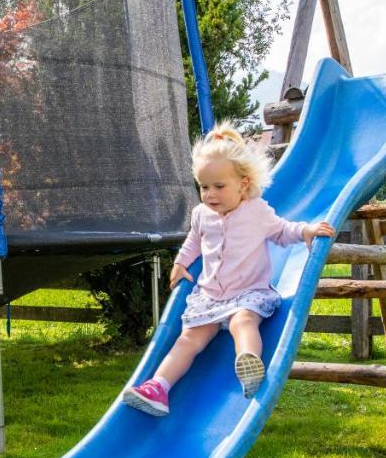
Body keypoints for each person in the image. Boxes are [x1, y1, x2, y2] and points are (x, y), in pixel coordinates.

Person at [123, 123, 334, 415]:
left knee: (242, 322)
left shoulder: (256, 211)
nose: (210, 194)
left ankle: (249, 362)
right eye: (203, 187)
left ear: (243, 184)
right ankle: (159, 388)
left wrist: (306, 230)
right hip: (210, 297)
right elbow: (193, 242)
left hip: (248, 294)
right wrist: (181, 263)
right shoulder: (201, 215)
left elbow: (282, 230)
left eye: (218, 186)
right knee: (188, 339)